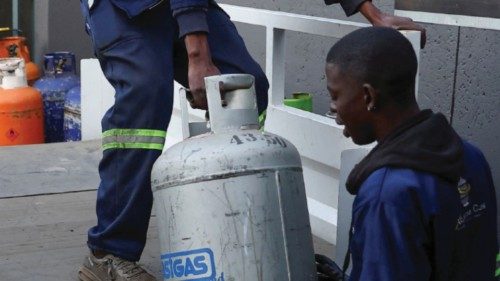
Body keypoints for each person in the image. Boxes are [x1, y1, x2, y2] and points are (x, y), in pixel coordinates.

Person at [77, 0, 426, 280]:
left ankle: (229, 217)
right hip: (123, 8)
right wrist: (198, 56)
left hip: (187, 5)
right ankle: (110, 251)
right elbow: (195, 60)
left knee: (246, 86)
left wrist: (372, 13)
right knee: (146, 100)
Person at [316, 26, 498, 281]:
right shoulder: (472, 157)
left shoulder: (386, 195)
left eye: (335, 95)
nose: (334, 110)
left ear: (368, 96)